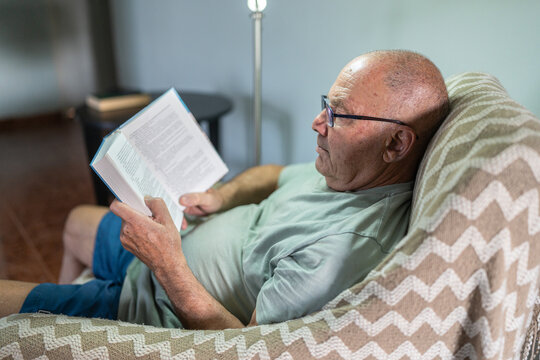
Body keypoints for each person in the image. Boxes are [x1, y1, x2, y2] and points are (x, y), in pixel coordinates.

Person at [0, 50, 449, 330]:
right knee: (77, 220)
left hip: (154, 304)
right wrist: (222, 198)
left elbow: (242, 345)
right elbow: (273, 174)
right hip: (170, 247)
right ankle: (61, 306)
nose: (318, 123)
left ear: (396, 143)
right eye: (324, 105)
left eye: (338, 115)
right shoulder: (345, 167)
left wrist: (166, 263)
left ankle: (58, 323)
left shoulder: (343, 250)